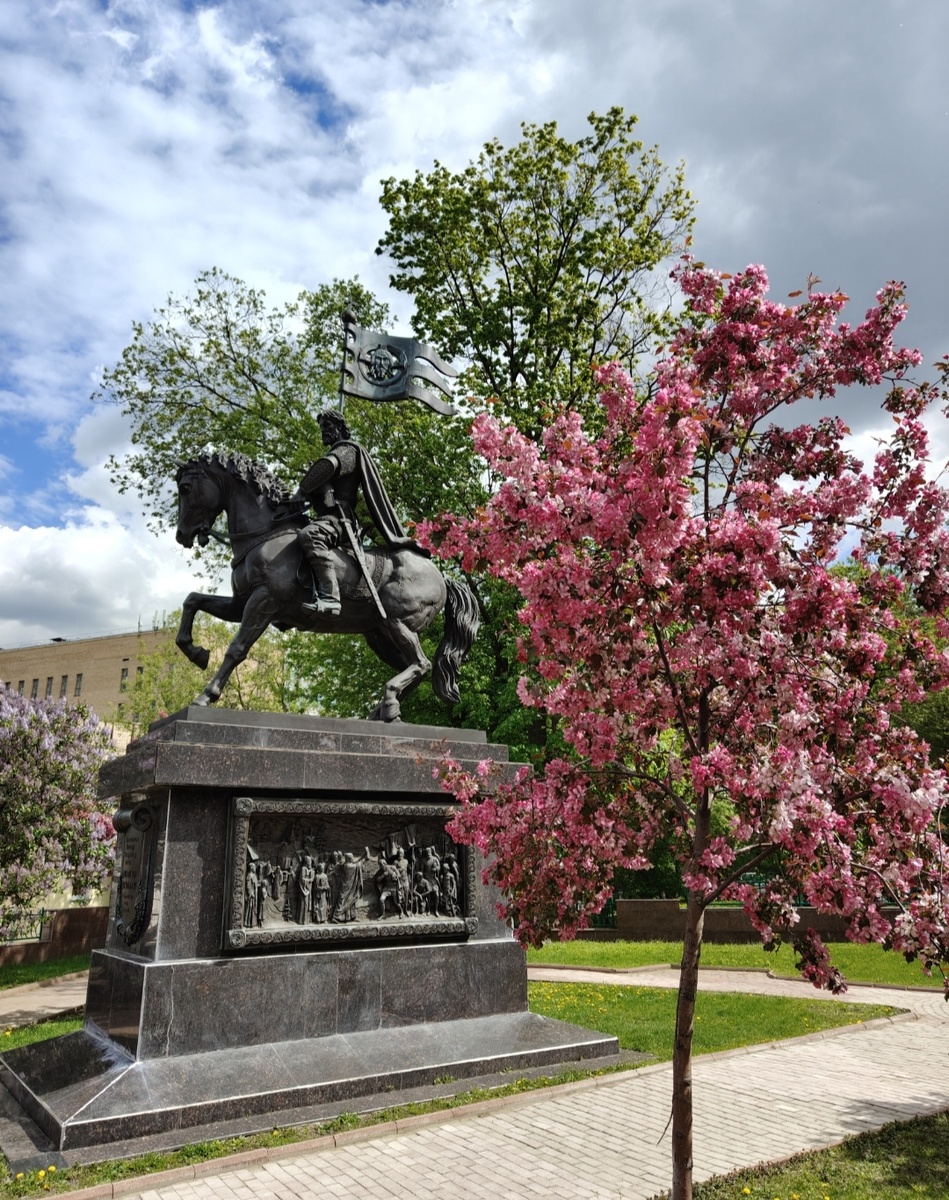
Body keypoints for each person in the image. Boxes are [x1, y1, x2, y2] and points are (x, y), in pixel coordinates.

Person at [288, 409, 428, 617]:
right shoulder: (337, 451)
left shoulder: (348, 450)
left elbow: (329, 465)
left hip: (340, 520)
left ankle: (331, 597)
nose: (323, 433)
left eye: (326, 427)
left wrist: (302, 490)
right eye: (322, 429)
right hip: (326, 516)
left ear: (339, 428)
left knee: (311, 535)